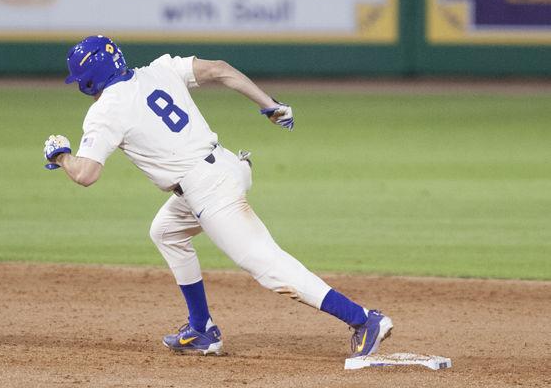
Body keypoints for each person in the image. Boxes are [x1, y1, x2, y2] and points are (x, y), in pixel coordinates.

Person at [44, 35, 393, 357]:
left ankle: (364, 319)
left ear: (88, 80)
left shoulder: (105, 111)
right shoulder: (159, 69)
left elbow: (85, 174)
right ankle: (201, 330)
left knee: (268, 265)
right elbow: (220, 70)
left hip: (209, 190)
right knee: (166, 232)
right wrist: (270, 105)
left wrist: (60, 154)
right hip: (227, 166)